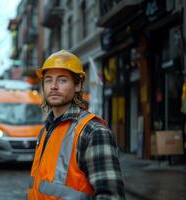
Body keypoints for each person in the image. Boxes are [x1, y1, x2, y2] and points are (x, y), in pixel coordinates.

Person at [28, 50, 125, 199]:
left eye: (62, 80)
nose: (53, 86)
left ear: (78, 85)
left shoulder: (93, 131)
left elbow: (111, 196)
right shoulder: (45, 130)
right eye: (48, 80)